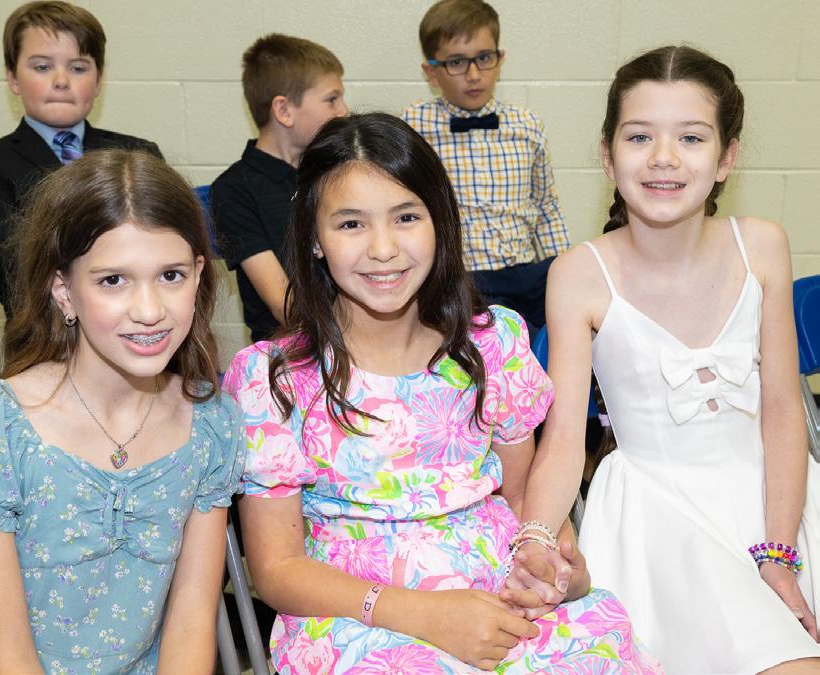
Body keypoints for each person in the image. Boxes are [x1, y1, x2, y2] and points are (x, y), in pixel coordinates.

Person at [223, 113, 660, 673]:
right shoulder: (276, 379)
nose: (384, 248)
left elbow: (523, 498)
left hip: (497, 594)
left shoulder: (489, 346)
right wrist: (428, 615)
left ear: (440, 223)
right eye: (351, 224)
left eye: (406, 217)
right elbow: (276, 570)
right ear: (313, 238)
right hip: (357, 618)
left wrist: (547, 558)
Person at [533, 45, 820, 672]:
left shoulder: (762, 245)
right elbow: (562, 442)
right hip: (661, 518)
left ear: (727, 158)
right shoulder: (579, 274)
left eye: (691, 137)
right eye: (640, 137)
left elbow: (782, 409)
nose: (663, 157)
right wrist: (533, 537)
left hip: (780, 499)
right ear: (608, 155)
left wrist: (780, 551)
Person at [0, 149, 244, 673]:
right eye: (113, 280)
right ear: (63, 291)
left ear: (198, 275)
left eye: (171, 275)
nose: (149, 310)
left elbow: (191, 623)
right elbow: (6, 656)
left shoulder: (211, 424)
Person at [0, 0, 162, 318]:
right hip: (48, 330)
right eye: (42, 67)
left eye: (78, 68)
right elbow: (13, 279)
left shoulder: (139, 154)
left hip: (143, 317)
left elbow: (165, 254)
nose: (61, 81)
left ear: (98, 80)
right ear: (13, 78)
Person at [401, 0, 567, 336]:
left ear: (500, 59)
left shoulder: (527, 125)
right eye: (457, 62)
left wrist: (567, 271)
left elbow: (546, 208)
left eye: (484, 58)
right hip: (461, 278)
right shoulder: (412, 127)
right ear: (431, 72)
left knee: (559, 335)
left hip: (528, 274)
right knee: (491, 346)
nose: (474, 74)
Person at [212, 33, 348, 345]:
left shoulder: (335, 171)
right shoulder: (234, 190)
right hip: (287, 353)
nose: (344, 110)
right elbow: (286, 307)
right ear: (284, 110)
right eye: (332, 99)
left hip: (355, 342)